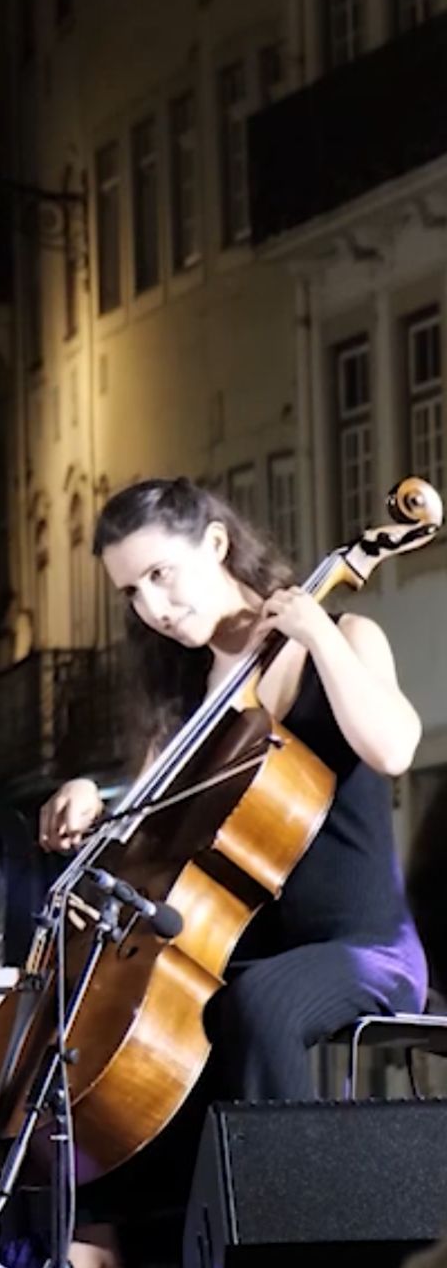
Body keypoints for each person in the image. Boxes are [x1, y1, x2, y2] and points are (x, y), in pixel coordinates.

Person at [33, 478, 427, 1268]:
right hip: (238, 952)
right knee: (122, 1017)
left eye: (160, 574)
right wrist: (93, 798)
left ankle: (288, 1244)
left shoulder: (346, 634)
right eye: (131, 591)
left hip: (363, 947)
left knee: (258, 1003)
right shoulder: (187, 710)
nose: (151, 605)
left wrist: (316, 632)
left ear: (214, 544)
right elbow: (142, 837)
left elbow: (394, 748)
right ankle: (113, 1239)